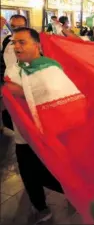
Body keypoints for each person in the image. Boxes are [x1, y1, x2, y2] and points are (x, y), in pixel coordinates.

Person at [3, 27, 64, 223]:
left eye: (22, 42)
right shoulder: (13, 69)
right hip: (23, 136)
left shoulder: (50, 67)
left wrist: (21, 92)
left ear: (37, 45)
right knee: (28, 174)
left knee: (56, 173)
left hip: (48, 134)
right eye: (14, 43)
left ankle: (83, 195)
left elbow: (59, 96)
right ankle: (41, 208)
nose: (17, 46)